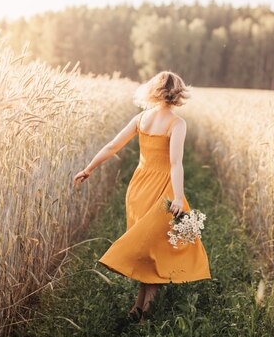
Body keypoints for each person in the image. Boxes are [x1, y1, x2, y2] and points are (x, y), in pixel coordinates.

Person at [73, 71, 211, 323]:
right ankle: (147, 314)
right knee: (156, 250)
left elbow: (112, 146)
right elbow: (176, 164)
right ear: (179, 94)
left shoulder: (141, 119)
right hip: (162, 190)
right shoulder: (177, 123)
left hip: (138, 188)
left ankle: (138, 308)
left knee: (146, 248)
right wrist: (178, 197)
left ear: (153, 91)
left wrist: (88, 168)